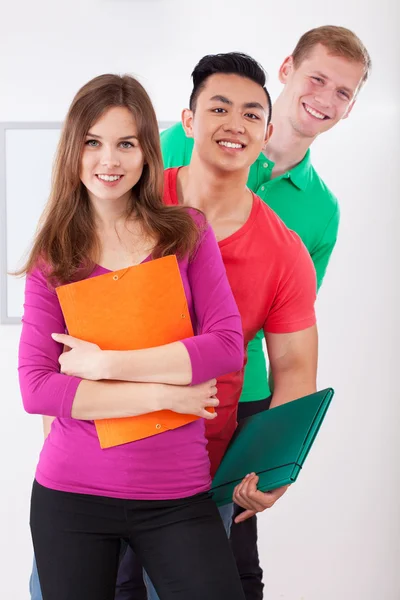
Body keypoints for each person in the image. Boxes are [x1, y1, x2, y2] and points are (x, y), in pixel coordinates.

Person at [159, 26, 371, 600]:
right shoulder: (181, 143)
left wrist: (274, 461)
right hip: (147, 370)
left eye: (344, 93)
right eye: (317, 79)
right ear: (286, 70)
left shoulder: (319, 213)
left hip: (242, 394)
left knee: (231, 552)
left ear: (351, 109)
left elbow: (289, 334)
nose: (325, 99)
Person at [19, 73, 248, 600]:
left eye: (126, 143)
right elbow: (38, 389)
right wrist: (168, 395)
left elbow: (225, 346)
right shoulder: (53, 259)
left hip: (177, 496)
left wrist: (106, 366)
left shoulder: (186, 233)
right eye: (93, 142)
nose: (109, 160)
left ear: (147, 151)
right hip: (71, 496)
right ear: (73, 150)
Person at [117, 51, 319, 600]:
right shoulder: (127, 199)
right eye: (220, 108)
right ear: (188, 122)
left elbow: (296, 369)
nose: (236, 124)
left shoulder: (285, 253)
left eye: (253, 114)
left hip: (203, 466)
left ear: (267, 132)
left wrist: (270, 472)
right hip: (106, 449)